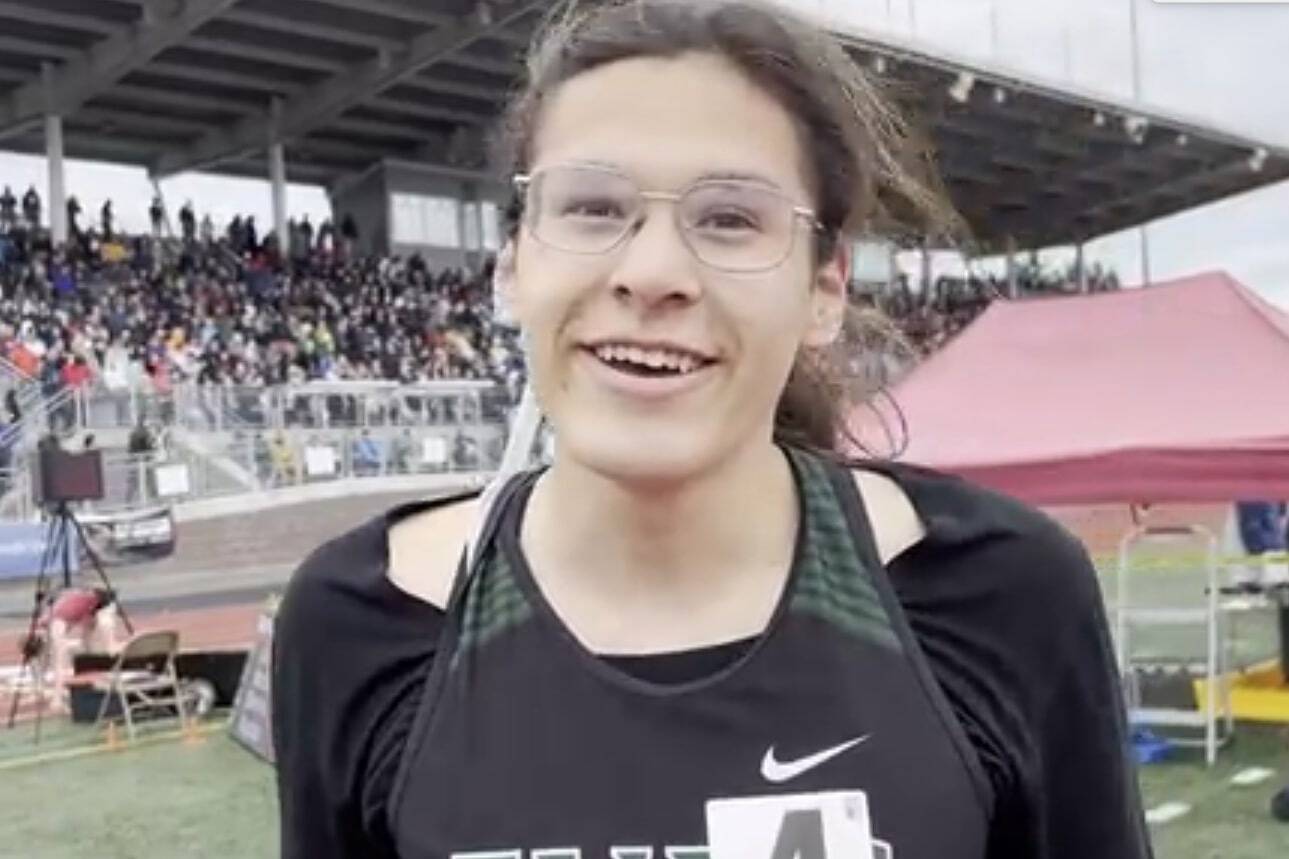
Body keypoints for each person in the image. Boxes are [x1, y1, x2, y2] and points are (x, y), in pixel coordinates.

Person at [273, 2, 1152, 858]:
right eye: (591, 206)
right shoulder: (360, 619)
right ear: (512, 264)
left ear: (825, 290)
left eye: (729, 219)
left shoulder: (1001, 592)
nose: (652, 273)